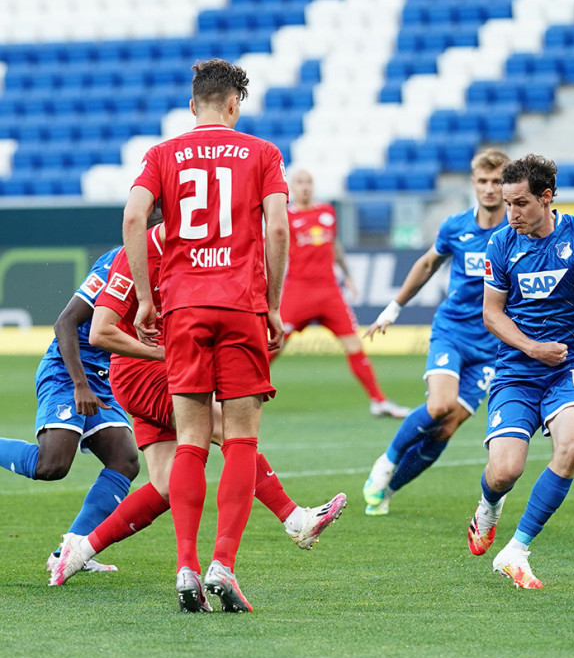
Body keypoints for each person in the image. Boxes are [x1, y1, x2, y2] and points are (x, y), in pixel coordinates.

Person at [50, 218, 346, 587]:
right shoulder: (136, 255)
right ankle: (294, 519)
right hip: (143, 371)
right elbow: (99, 332)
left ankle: (78, 551)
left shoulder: (198, 253)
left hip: (172, 367)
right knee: (223, 426)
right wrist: (166, 354)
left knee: (164, 486)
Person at [122, 58, 289, 613]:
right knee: (240, 439)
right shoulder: (263, 153)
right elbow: (278, 227)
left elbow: (134, 219)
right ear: (234, 105)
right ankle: (224, 563)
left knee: (192, 440)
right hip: (240, 304)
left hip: (184, 307)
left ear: (193, 104)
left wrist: (147, 299)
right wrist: (272, 304)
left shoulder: (162, 154)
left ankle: (186, 568)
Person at [465, 154, 574, 588]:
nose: (511, 213)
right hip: (517, 370)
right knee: (505, 472)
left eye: (520, 203)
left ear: (546, 197)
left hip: (569, 365)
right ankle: (489, 505)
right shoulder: (501, 243)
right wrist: (533, 348)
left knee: (573, 448)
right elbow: (492, 314)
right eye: (507, 203)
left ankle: (516, 550)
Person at [361, 149, 510, 516]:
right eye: (483, 181)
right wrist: (393, 309)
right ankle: (387, 461)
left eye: (497, 181)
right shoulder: (456, 227)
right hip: (452, 331)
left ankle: (388, 491)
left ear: (506, 186)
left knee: (446, 428)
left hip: (492, 344)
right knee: (440, 405)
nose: (489, 188)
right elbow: (428, 263)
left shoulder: (517, 231)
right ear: (473, 183)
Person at [0, 249, 139, 578]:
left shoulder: (168, 263)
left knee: (124, 461)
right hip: (67, 372)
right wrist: (80, 384)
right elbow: (64, 322)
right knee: (52, 465)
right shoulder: (117, 263)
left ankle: (71, 551)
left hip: (103, 377)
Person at [278, 169, 409, 419]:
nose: (305, 187)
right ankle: (241, 394)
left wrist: (347, 275)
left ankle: (379, 401)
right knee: (274, 344)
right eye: (299, 182)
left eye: (308, 182)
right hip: (298, 290)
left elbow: (334, 245)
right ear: (291, 187)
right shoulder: (286, 215)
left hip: (329, 291)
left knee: (354, 344)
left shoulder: (327, 212)